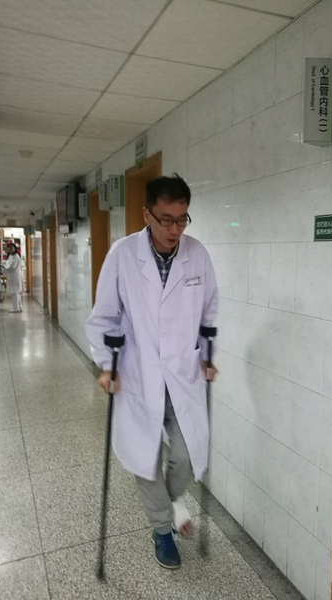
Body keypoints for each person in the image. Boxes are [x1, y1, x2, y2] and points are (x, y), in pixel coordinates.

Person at [85, 174, 218, 570]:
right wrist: (106, 365)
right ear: (147, 215)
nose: (175, 229)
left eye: (182, 219)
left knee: (187, 454)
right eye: (166, 220)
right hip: (138, 372)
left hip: (182, 373)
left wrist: (208, 355)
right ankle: (162, 529)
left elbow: (209, 312)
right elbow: (104, 316)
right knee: (145, 455)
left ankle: (172, 500)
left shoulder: (197, 255)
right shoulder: (122, 254)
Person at [3, 243, 23, 313]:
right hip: (11, 276)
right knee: (15, 292)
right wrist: (5, 265)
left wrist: (5, 266)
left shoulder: (16, 256)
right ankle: (19, 307)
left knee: (15, 292)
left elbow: (12, 266)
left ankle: (16, 308)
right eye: (9, 248)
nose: (10, 249)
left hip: (15, 276)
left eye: (12, 247)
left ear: (15, 248)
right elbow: (7, 264)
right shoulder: (10, 256)